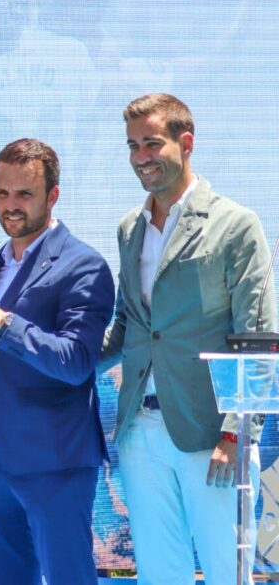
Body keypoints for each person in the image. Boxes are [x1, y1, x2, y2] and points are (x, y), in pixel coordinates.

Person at [102, 93, 277, 584]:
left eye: (152, 143)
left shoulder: (236, 224)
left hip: (210, 436)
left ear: (186, 142)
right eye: (133, 146)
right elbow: (129, 327)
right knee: (160, 574)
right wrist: (50, 356)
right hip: (140, 432)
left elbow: (259, 338)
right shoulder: (128, 228)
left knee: (227, 571)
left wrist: (234, 432)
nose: (141, 157)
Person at [0, 138, 114, 585]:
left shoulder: (84, 266)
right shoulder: (0, 262)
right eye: (2, 193)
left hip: (54, 458)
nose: (10, 205)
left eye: (24, 194)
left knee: (67, 577)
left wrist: (3, 320)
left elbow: (75, 361)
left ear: (53, 196)